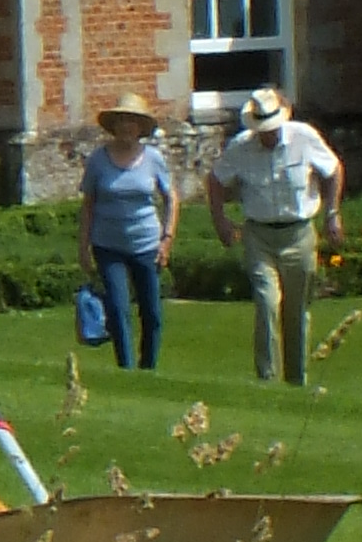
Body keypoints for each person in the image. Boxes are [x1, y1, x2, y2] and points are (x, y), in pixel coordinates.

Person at [207, 87, 345, 384]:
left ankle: (296, 379)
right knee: (266, 302)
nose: (267, 135)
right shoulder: (241, 147)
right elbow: (216, 181)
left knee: (296, 310)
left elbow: (333, 170)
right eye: (262, 130)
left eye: (271, 129)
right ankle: (267, 379)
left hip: (298, 233)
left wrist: (332, 213)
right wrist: (221, 221)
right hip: (259, 235)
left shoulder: (303, 137)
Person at [76, 94, 177, 370]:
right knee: (118, 309)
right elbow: (88, 204)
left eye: (132, 123)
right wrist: (83, 246)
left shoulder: (153, 159)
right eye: (122, 122)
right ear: (114, 127)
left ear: (141, 128)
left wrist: (166, 239)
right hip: (108, 246)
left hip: (146, 244)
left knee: (152, 313)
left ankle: (149, 368)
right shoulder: (98, 160)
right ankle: (126, 369)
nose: (127, 128)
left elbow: (171, 198)